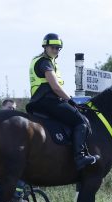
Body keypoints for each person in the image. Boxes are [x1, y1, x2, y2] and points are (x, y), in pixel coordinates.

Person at [28, 33, 99, 170]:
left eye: (57, 48)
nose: (55, 50)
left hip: (39, 101)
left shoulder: (41, 60)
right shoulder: (45, 62)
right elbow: (55, 87)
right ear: (45, 47)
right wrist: (71, 101)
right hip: (48, 101)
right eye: (52, 47)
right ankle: (80, 157)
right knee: (81, 121)